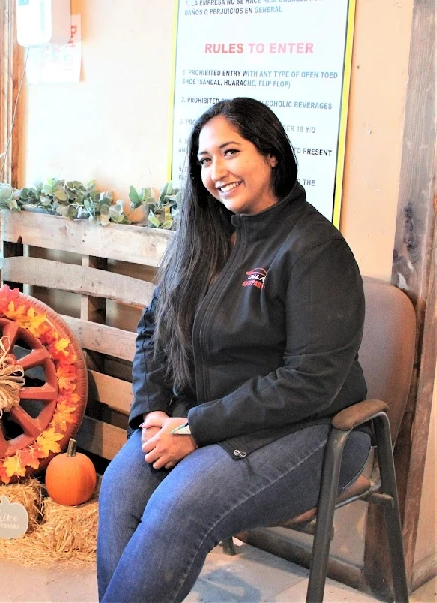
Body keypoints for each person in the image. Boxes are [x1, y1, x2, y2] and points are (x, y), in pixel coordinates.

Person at [96, 97, 372, 602]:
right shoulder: (203, 237)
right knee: (121, 484)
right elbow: (154, 334)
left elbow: (311, 381)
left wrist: (196, 429)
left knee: (180, 503)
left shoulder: (314, 248)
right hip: (202, 420)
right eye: (204, 160)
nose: (217, 171)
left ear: (270, 155)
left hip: (311, 430)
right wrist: (153, 414)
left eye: (230, 152)